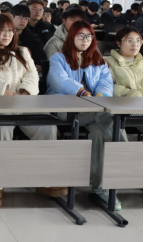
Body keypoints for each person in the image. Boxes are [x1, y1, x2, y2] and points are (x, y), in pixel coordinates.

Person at [0, 15, 58, 207]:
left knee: (46, 126)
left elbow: (32, 75)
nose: (7, 34)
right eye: (2, 30)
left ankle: (45, 180)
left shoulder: (22, 51)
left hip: (22, 104)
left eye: (10, 31)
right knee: (1, 127)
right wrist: (6, 93)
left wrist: (24, 94)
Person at [46, 21, 123, 209]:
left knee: (99, 133)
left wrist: (100, 96)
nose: (85, 40)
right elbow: (58, 81)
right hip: (67, 109)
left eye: (89, 36)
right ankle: (125, 158)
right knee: (110, 119)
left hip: (94, 111)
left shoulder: (98, 60)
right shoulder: (58, 58)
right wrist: (82, 92)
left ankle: (101, 188)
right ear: (71, 37)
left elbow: (106, 83)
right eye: (81, 35)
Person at [105, 27, 143, 97]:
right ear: (119, 44)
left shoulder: (141, 62)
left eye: (138, 41)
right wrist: (132, 94)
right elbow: (107, 86)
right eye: (129, 41)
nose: (135, 44)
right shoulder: (108, 63)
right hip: (124, 102)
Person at [12, 5, 47, 73]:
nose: (23, 21)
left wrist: (39, 65)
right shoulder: (4, 38)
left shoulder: (33, 39)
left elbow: (41, 58)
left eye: (26, 18)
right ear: (11, 16)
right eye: (20, 17)